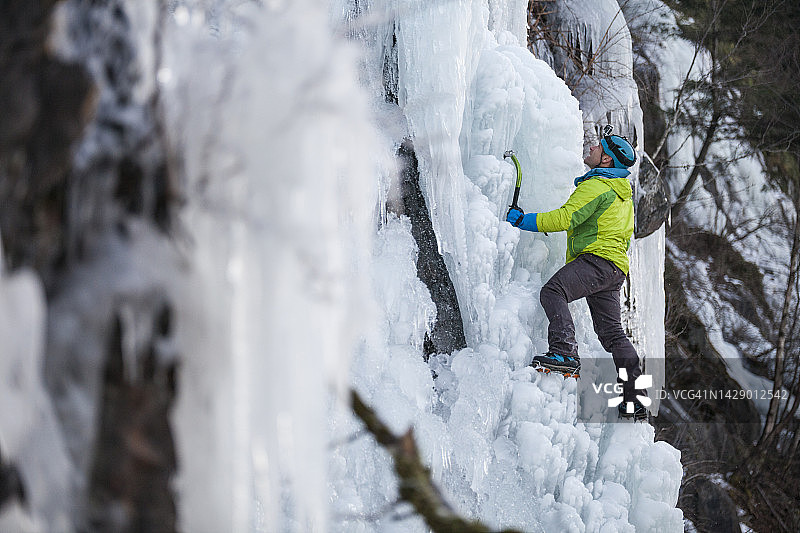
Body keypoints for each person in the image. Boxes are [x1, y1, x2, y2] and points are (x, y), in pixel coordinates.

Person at [506, 129, 646, 419]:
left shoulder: (598, 185)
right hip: (615, 267)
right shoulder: (621, 193)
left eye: (598, 147)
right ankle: (635, 397)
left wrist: (524, 221)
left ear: (606, 159)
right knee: (612, 334)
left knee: (553, 291)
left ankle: (565, 351)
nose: (592, 147)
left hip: (597, 261)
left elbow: (565, 218)